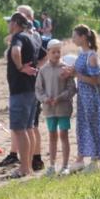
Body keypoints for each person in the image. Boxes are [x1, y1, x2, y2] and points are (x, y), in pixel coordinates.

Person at [69, 24, 100, 170]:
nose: (73, 39)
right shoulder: (82, 53)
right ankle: (81, 159)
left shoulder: (91, 56)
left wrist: (77, 75)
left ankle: (94, 159)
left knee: (93, 125)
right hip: (82, 96)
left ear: (83, 37)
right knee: (82, 125)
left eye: (75, 36)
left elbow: (95, 80)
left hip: (91, 96)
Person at [4, 12, 39, 179]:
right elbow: (42, 56)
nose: (8, 25)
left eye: (9, 22)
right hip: (31, 89)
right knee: (29, 128)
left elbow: (15, 51)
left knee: (19, 129)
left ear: (15, 23)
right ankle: (28, 166)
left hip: (20, 90)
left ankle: (24, 168)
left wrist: (19, 67)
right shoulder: (30, 37)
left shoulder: (18, 38)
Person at [36, 39, 76, 175]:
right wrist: (45, 99)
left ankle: (65, 165)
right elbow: (38, 89)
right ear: (48, 53)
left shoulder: (65, 68)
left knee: (64, 134)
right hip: (49, 109)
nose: (56, 54)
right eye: (53, 52)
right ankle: (52, 166)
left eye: (58, 52)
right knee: (52, 135)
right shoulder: (43, 70)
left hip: (63, 108)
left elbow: (72, 88)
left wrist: (60, 97)